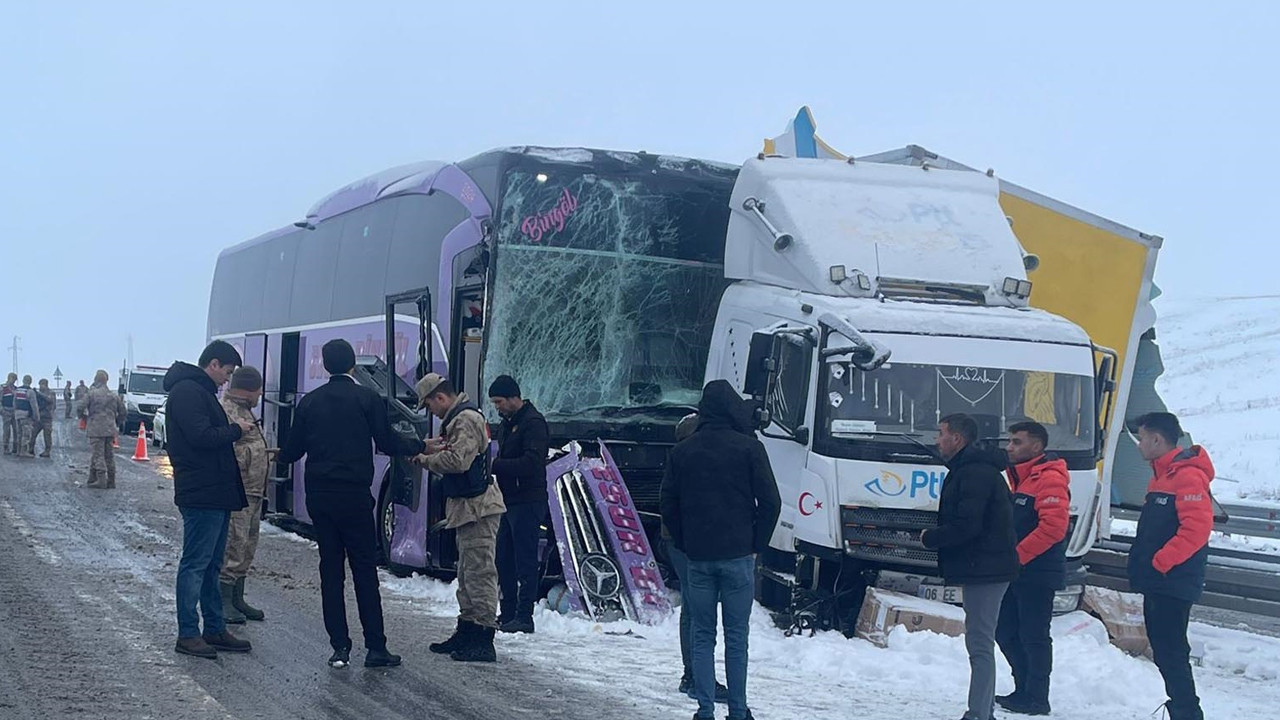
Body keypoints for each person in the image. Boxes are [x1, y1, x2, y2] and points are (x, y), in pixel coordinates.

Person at [277, 339, 425, 669]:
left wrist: (277, 454)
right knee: (363, 571)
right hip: (355, 496)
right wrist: (418, 443)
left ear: (326, 366)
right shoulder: (367, 398)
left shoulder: (310, 403)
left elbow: (293, 450)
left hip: (320, 498)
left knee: (331, 570)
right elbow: (387, 441)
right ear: (353, 366)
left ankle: (339, 647)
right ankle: (375, 648)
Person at [660, 380, 781, 720]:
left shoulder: (682, 451)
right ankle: (739, 712)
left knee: (702, 634)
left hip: (698, 557)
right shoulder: (749, 448)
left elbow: (668, 503)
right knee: (737, 637)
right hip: (739, 557)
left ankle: (705, 709)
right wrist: (757, 544)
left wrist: (685, 541)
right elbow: (771, 502)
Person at [920, 413, 1019, 720]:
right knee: (980, 639)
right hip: (985, 566)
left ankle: (978, 713)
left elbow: (968, 524)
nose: (937, 440)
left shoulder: (973, 472)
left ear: (957, 439)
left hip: (986, 569)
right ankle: (981, 710)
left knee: (979, 641)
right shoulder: (972, 469)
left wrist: (931, 538)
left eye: (941, 433)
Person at [164, 340, 254, 659]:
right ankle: (188, 633)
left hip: (214, 491)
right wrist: (235, 430)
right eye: (227, 373)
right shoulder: (188, 392)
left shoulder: (200, 392)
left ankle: (213, 629)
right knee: (195, 564)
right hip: (201, 491)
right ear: (213, 364)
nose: (227, 380)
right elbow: (201, 437)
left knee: (211, 564)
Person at [415, 372, 506, 663]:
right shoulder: (458, 419)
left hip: (478, 508)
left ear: (440, 397)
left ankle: (483, 638)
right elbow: (454, 448)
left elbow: (457, 461)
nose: (431, 411)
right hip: (468, 508)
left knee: (479, 573)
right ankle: (467, 630)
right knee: (467, 574)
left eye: (429, 405)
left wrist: (424, 460)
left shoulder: (464, 420)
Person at [1127, 412, 1213, 720]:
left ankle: (1187, 712)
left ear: (1156, 439)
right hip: (1160, 580)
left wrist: (1160, 562)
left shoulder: (1187, 476)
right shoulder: (1162, 475)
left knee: (1171, 651)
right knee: (1165, 650)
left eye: (1141, 438)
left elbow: (1197, 529)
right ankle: (1183, 709)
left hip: (1173, 580)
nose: (1138, 445)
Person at [994, 421, 1070, 716]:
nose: (1009, 447)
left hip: (1037, 572)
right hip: (1018, 570)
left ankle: (1037, 696)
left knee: (1034, 635)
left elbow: (1053, 527)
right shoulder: (1023, 478)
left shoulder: (1049, 478)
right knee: (1006, 630)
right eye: (1010, 441)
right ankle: (1022, 689)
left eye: (1016, 442)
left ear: (1036, 446)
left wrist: (1017, 557)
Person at [664, 412, 730, 704]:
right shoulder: (690, 462)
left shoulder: (678, 459)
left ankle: (691, 674)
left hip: (679, 541)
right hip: (687, 543)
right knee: (697, 609)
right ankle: (697, 677)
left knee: (692, 607)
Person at [488, 375, 550, 635]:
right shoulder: (507, 423)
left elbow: (532, 464)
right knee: (504, 557)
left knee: (525, 559)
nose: (497, 408)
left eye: (499, 402)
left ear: (514, 397)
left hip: (527, 500)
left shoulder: (533, 424)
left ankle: (525, 616)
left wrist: (496, 466)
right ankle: (509, 610)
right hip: (508, 500)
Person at [218, 366, 272, 624]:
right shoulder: (227, 411)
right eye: (258, 389)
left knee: (248, 544)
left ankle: (237, 596)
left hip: (254, 491)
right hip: (238, 491)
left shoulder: (246, 410)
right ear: (247, 389)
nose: (260, 394)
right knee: (234, 545)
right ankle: (224, 599)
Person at [79, 370, 126, 488]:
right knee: (109, 454)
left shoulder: (91, 394)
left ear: (96, 379)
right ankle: (111, 480)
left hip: (96, 428)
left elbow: (80, 407)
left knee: (98, 454)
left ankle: (101, 480)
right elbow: (123, 412)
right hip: (110, 428)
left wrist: (84, 417)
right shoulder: (114, 396)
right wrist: (116, 422)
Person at [13, 375, 41, 459]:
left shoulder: (17, 390)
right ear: (30, 381)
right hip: (26, 415)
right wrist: (36, 417)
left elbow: (14, 402)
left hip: (17, 414)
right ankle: (24, 451)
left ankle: (18, 451)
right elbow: (34, 405)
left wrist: (15, 412)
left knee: (19, 433)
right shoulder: (30, 391)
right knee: (26, 434)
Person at [31, 378, 55, 457]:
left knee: (47, 435)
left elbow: (50, 400)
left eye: (42, 385)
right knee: (33, 433)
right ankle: (30, 449)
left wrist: (39, 394)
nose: (40, 386)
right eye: (40, 385)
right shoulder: (39, 394)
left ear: (45, 385)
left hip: (47, 417)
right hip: (39, 417)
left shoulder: (51, 393)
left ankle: (47, 451)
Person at [1, 373, 16, 454]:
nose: (13, 381)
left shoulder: (15, 389)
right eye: (13, 378)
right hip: (6, 410)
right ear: (9, 378)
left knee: (16, 431)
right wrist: (1, 410)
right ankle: (6, 447)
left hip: (14, 411)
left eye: (15, 379)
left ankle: (15, 448)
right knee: (7, 431)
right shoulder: (3, 388)